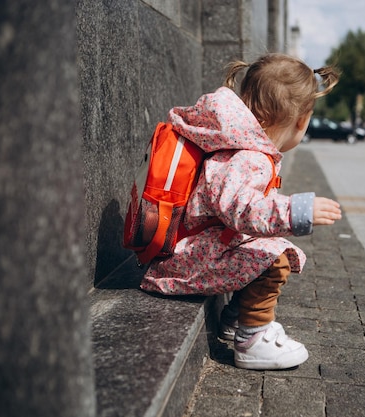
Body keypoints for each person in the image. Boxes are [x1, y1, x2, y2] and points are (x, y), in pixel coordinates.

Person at [140, 53, 342, 370]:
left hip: (198, 249)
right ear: (300, 121)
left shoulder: (247, 149)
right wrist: (296, 210)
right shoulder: (249, 157)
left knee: (268, 248)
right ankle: (252, 338)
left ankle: (236, 320)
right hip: (185, 259)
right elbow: (243, 210)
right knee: (274, 259)